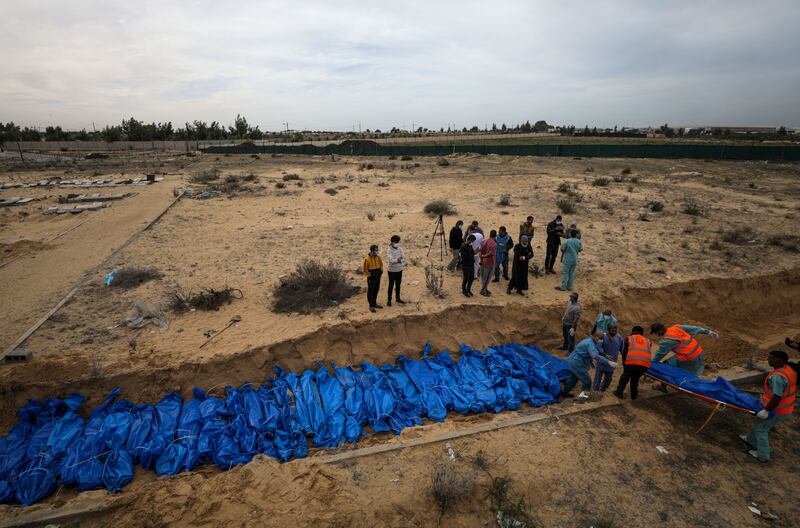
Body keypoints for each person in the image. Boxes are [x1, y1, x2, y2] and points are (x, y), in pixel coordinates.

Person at [740, 350, 796, 463]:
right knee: (761, 423)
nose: (768, 359)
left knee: (761, 429)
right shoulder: (788, 370)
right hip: (785, 408)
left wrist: (766, 410)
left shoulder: (777, 377)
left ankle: (763, 455)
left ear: (779, 360)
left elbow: (777, 397)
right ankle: (750, 440)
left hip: (777, 410)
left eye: (771, 357)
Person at [562, 331, 617, 399]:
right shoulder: (590, 344)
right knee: (587, 381)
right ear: (596, 336)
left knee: (574, 377)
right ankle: (583, 398)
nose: (601, 340)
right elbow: (594, 355)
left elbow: (589, 352)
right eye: (601, 338)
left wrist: (592, 362)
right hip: (577, 363)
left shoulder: (589, 341)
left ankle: (564, 392)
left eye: (602, 338)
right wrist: (608, 362)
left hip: (573, 360)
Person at [650, 322, 719, 376]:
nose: (656, 335)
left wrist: (651, 364)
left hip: (691, 356)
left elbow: (659, 354)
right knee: (674, 360)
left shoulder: (667, 341)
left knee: (666, 364)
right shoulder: (676, 327)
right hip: (699, 352)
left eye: (655, 333)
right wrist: (708, 332)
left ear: (659, 331)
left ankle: (664, 385)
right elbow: (694, 328)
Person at [613, 326, 653, 400]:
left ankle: (619, 392)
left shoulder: (629, 338)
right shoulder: (648, 341)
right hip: (644, 365)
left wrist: (625, 363)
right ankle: (634, 396)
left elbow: (624, 352)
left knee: (625, 377)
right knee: (635, 379)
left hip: (632, 362)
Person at [593, 324, 624, 391]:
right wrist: (605, 354)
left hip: (612, 363)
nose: (614, 331)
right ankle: (595, 391)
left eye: (615, 330)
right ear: (608, 330)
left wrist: (624, 358)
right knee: (597, 379)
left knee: (608, 379)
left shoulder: (619, 337)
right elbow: (598, 347)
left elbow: (622, 349)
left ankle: (603, 390)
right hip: (602, 362)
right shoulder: (602, 337)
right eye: (612, 330)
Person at [385, 235, 406, 307]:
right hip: (391, 270)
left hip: (399, 269)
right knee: (391, 285)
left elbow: (404, 258)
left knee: (398, 285)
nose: (398, 243)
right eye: (397, 242)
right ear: (393, 242)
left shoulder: (400, 249)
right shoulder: (389, 250)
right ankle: (389, 300)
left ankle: (398, 298)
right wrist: (398, 260)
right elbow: (391, 260)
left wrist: (398, 260)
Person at [362, 244, 383, 312]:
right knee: (371, 292)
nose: (377, 251)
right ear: (372, 250)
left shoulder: (378, 257)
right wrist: (370, 275)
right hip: (371, 278)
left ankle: (374, 303)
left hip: (378, 277)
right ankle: (371, 306)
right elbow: (364, 270)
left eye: (377, 250)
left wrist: (380, 272)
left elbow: (381, 265)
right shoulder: (367, 259)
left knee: (376, 290)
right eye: (376, 250)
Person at [479, 230, 497, 296]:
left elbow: (480, 251)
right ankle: (483, 291)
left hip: (483, 261)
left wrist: (481, 258)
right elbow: (491, 253)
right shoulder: (494, 244)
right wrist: (484, 256)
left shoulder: (484, 241)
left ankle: (485, 289)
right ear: (495, 235)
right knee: (487, 278)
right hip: (490, 262)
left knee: (484, 277)